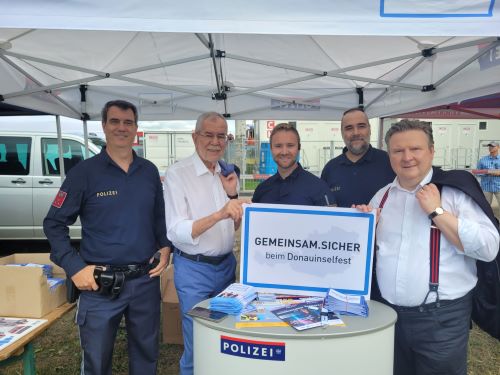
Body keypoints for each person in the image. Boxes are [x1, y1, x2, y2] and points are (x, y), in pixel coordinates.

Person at [357, 119, 499, 375]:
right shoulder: (382, 196)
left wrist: (437, 211)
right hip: (390, 319)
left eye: (416, 149)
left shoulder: (455, 192)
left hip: (441, 321)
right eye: (398, 151)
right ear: (390, 155)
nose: (407, 157)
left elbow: (489, 248)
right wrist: (362, 227)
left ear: (432, 151)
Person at [44, 100, 171, 375]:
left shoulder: (149, 171)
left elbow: (159, 217)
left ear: (136, 128)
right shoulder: (83, 173)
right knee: (96, 363)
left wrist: (165, 246)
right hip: (99, 285)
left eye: (128, 123)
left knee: (147, 358)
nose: (121, 128)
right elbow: (53, 224)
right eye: (115, 121)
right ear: (104, 126)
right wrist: (75, 267)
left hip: (144, 282)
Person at [163, 112, 248, 375]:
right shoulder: (178, 174)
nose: (215, 142)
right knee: (197, 337)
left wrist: (233, 198)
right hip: (194, 269)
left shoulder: (225, 172)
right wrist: (221, 213)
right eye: (208, 135)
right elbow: (176, 231)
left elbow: (230, 225)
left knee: (224, 336)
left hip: (225, 267)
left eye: (221, 136)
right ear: (194, 136)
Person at [321, 107, 395, 207]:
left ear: (369, 129)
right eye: (349, 128)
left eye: (361, 126)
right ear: (342, 133)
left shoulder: (390, 162)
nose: (356, 133)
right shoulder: (330, 169)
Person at [253, 122, 334, 206]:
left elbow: (331, 218)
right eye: (278, 146)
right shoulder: (262, 189)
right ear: (271, 149)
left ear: (299, 148)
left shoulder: (319, 188)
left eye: (290, 145)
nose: (284, 152)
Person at [475, 141, 500, 209]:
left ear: (498, 147)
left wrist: (486, 171)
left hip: (499, 186)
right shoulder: (483, 160)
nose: (490, 148)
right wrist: (488, 172)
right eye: (489, 146)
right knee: (486, 206)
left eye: (493, 146)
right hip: (486, 187)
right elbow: (477, 172)